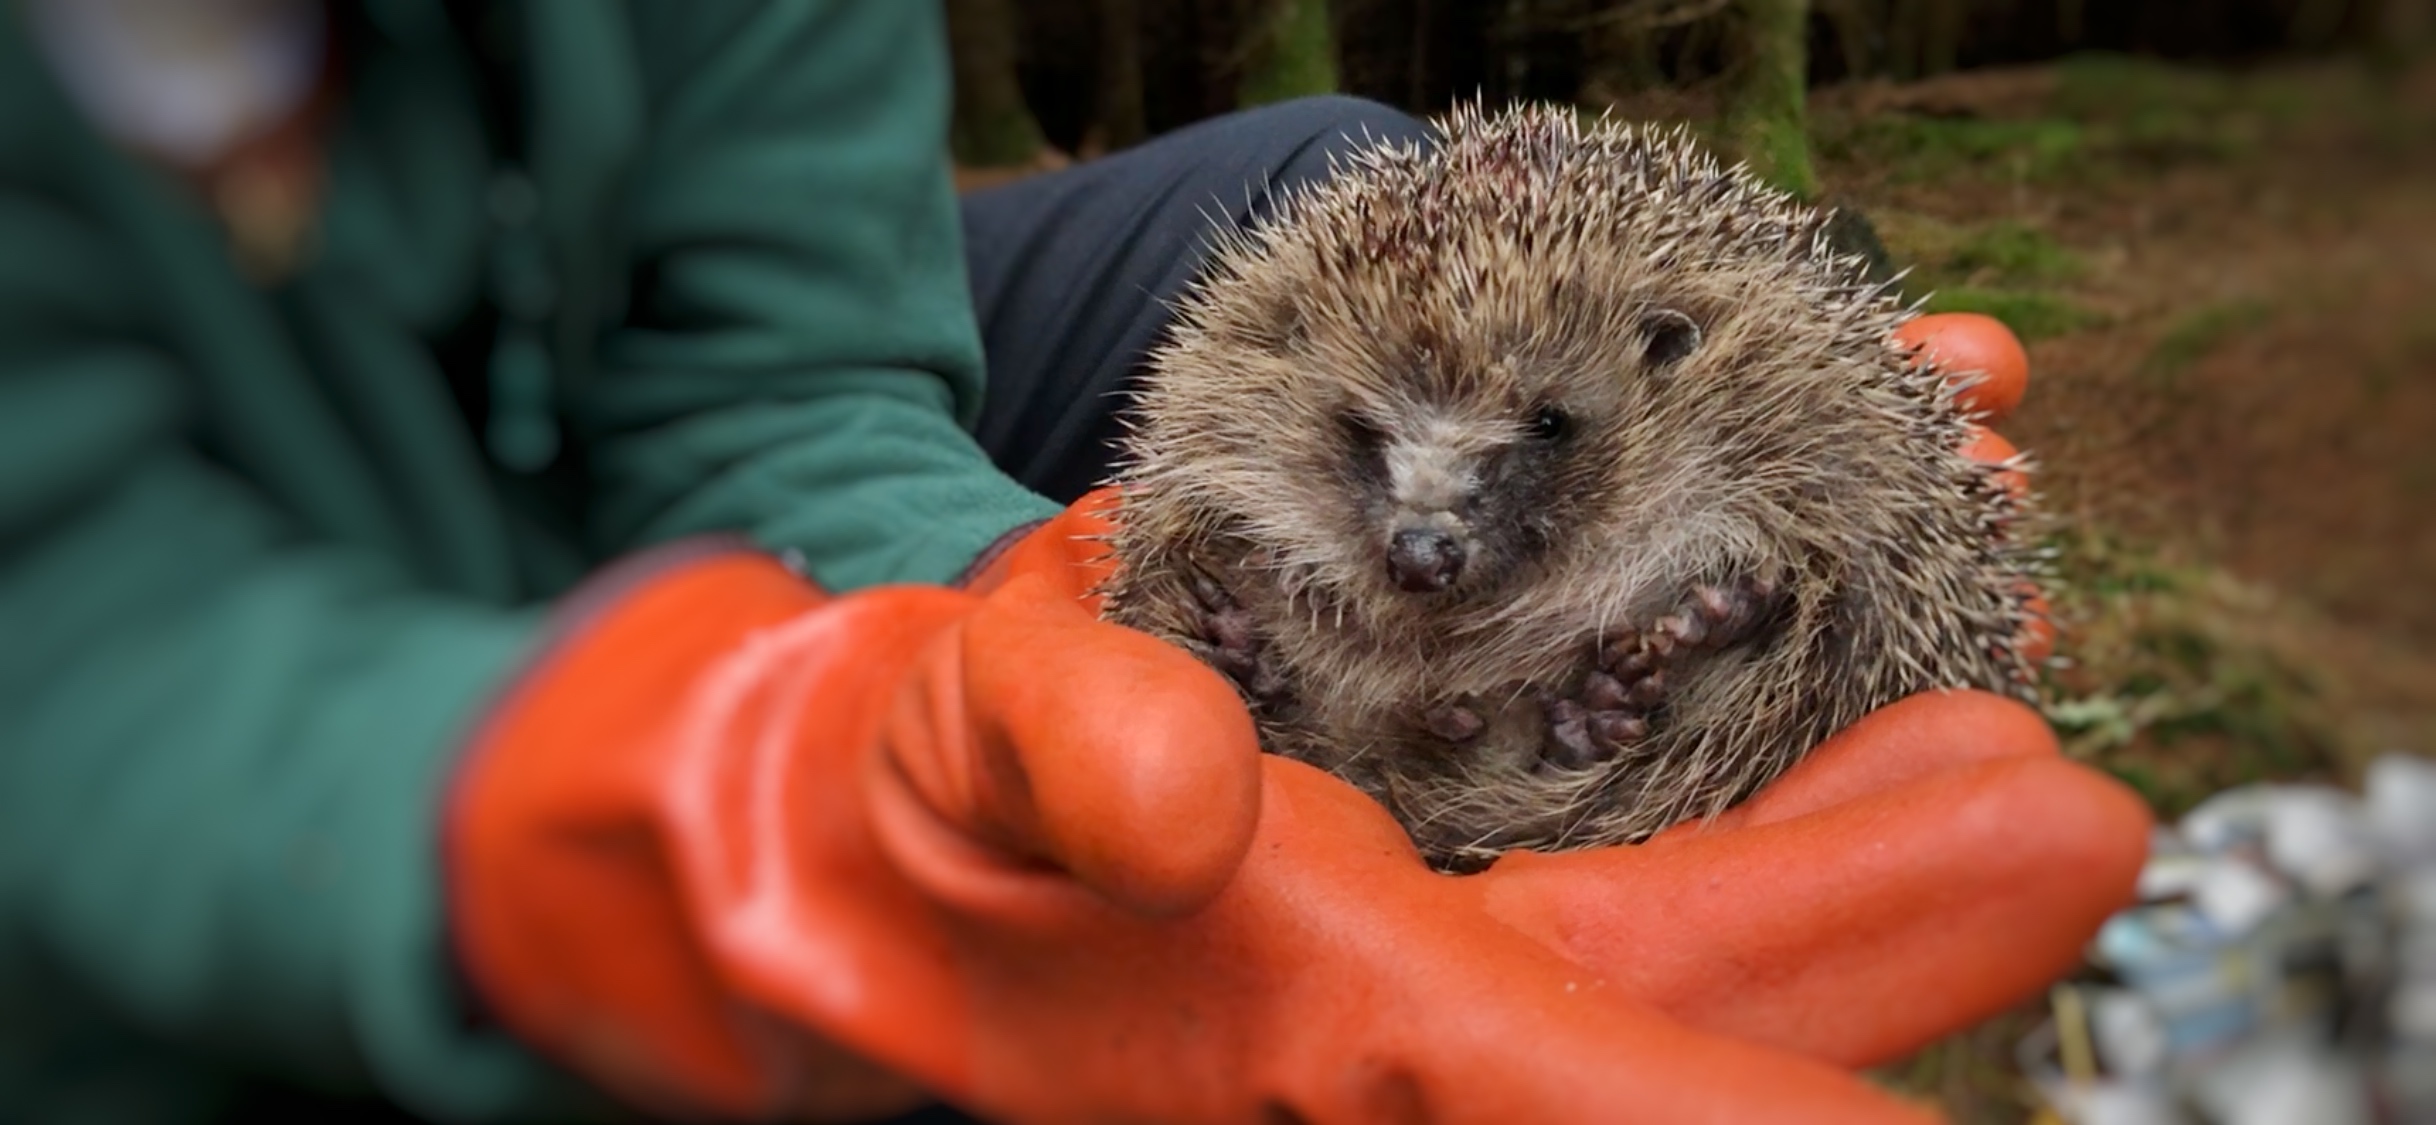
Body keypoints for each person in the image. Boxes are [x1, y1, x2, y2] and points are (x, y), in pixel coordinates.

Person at [0, 2, 2151, 1122]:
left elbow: (779, 363)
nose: (1433, 512)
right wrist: (737, 782)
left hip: (589, 413)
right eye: (1388, 458)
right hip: (111, 717)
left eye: (1519, 458)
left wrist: (1018, 594)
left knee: (1345, 174)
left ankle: (1307, 740)